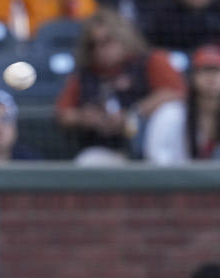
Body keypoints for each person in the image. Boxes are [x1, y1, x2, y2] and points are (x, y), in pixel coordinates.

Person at [55, 9, 185, 163]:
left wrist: (132, 113)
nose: (100, 50)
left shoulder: (151, 61)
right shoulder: (85, 74)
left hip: (152, 146)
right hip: (112, 149)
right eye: (93, 45)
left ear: (123, 37)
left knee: (172, 111)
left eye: (107, 41)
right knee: (88, 162)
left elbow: (175, 93)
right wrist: (86, 117)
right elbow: (63, 114)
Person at [144, 45, 220, 164]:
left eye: (218, 72)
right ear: (192, 77)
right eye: (205, 71)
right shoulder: (169, 114)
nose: (212, 78)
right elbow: (157, 159)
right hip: (181, 183)